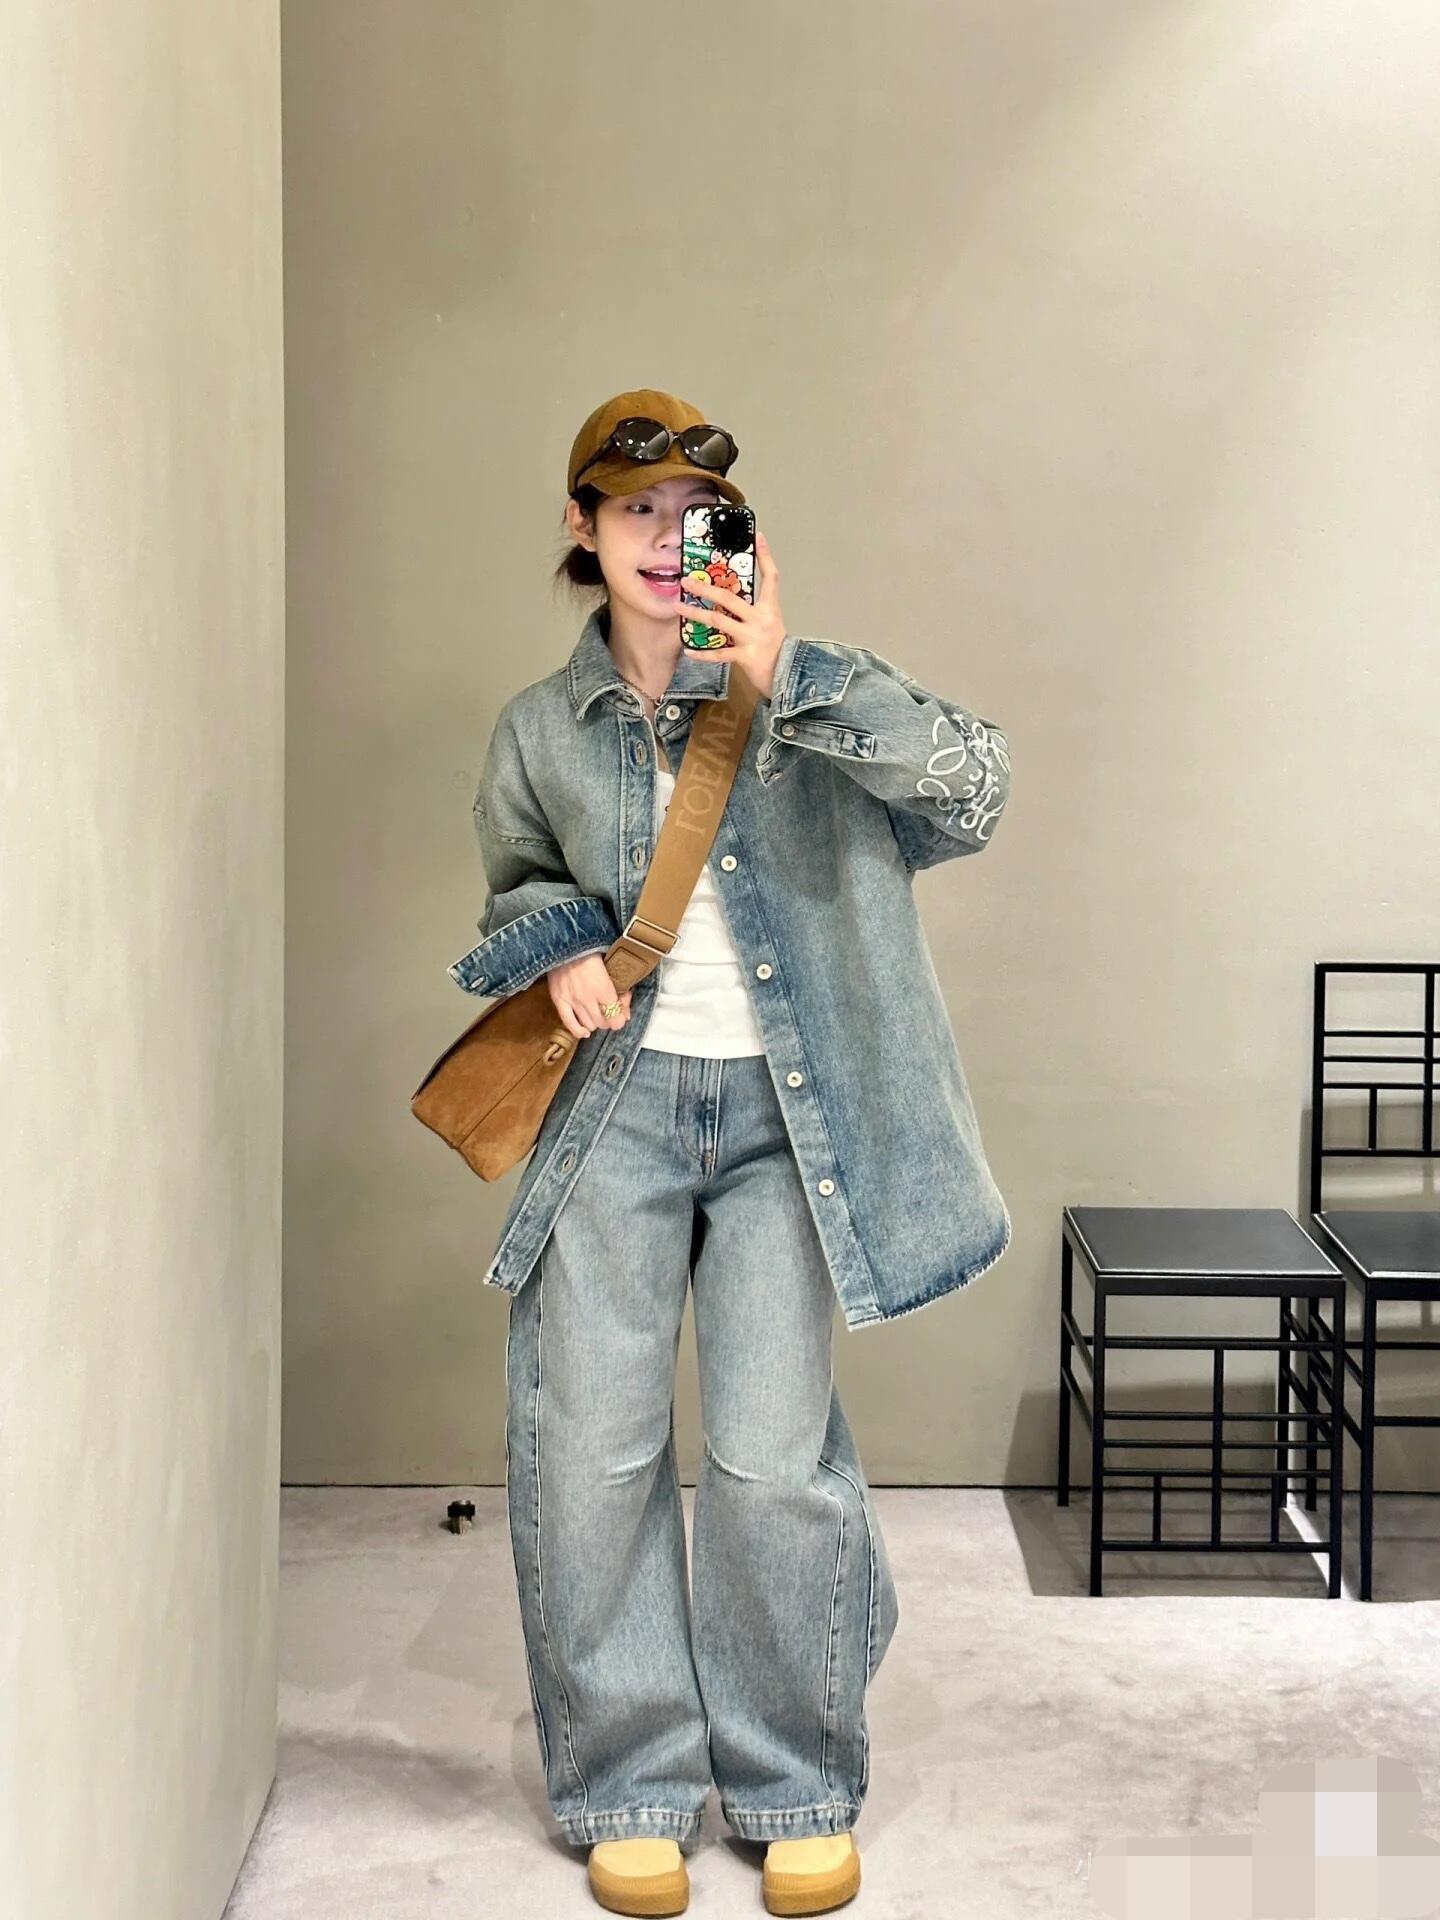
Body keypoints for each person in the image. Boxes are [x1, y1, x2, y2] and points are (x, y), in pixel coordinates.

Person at [451, 389, 1013, 1917]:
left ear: (732, 532)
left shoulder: (800, 691)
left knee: (772, 1457)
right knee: (595, 1453)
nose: (663, 536)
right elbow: (516, 884)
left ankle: (790, 1777)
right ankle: (631, 1780)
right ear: (581, 528)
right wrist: (560, 946)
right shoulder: (538, 727)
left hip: (785, 1125)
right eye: (632, 508)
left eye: (693, 511)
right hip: (614, 1118)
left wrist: (791, 671)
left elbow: (974, 789)